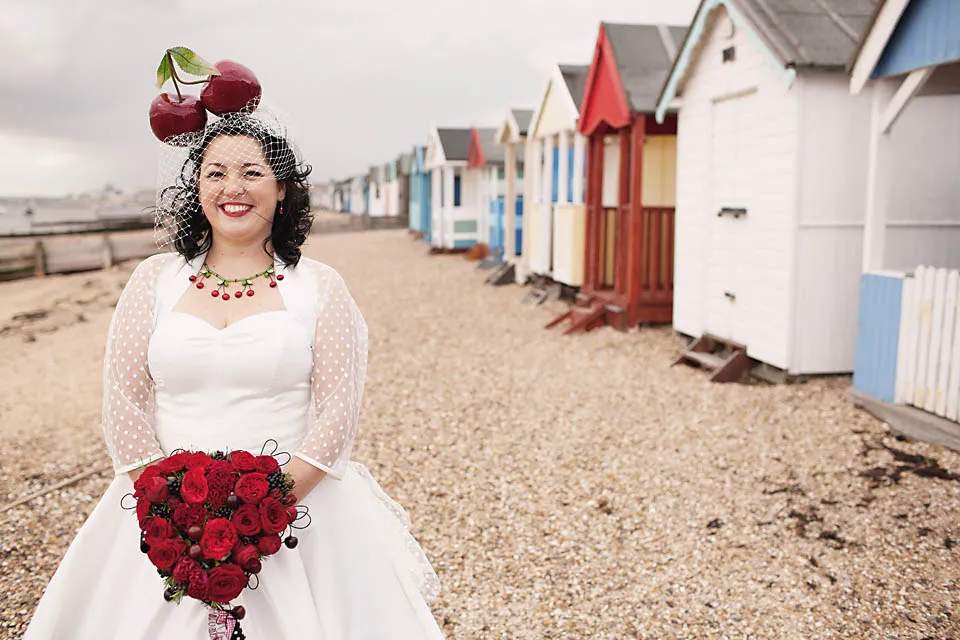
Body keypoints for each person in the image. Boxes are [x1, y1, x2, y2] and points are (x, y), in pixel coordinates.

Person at [23, 107, 444, 639]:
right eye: (215, 173)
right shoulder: (153, 280)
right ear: (196, 188)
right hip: (164, 511)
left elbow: (337, 416)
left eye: (251, 172)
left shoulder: (320, 287)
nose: (232, 187)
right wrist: (169, 508)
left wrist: (264, 509)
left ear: (283, 189)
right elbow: (122, 402)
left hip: (293, 516)